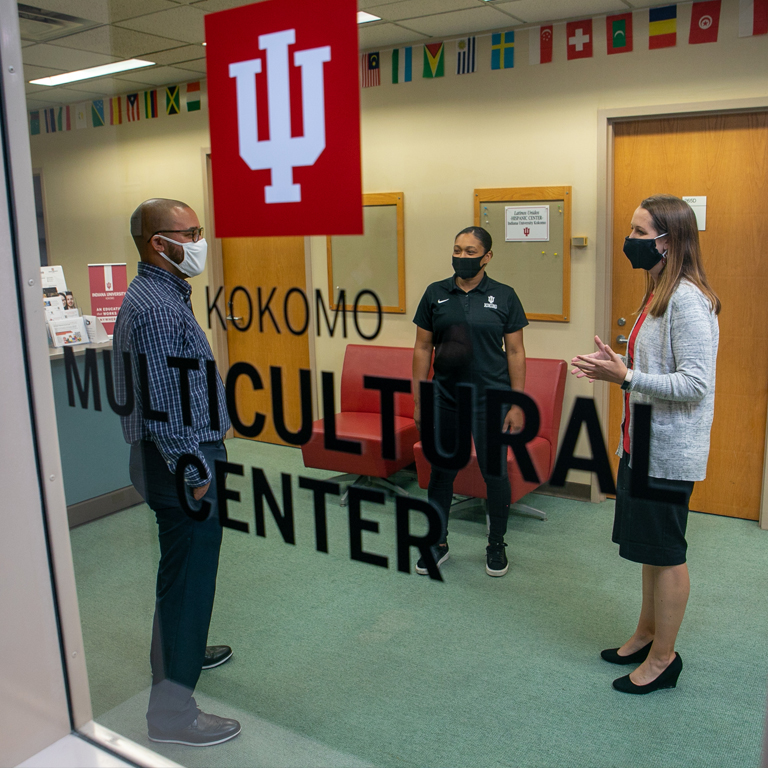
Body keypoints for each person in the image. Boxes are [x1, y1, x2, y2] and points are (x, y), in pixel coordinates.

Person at [571, 194, 720, 695]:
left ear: (668, 241)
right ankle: (646, 633)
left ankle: (663, 659)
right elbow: (651, 371)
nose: (630, 241)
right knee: (650, 552)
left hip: (669, 451)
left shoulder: (687, 299)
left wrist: (627, 375)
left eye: (639, 233)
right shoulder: (658, 291)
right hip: (642, 442)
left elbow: (696, 383)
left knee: (668, 552)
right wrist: (618, 368)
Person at [113, 198, 240, 745]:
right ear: (157, 243)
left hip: (167, 458)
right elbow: (168, 403)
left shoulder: (157, 293)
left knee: (182, 573)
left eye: (200, 230)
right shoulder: (159, 307)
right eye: (189, 232)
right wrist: (194, 470)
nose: (199, 241)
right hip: (181, 461)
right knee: (187, 583)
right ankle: (170, 718)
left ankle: (186, 648)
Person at [412, 226, 527, 577]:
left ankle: (496, 544)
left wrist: (518, 403)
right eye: (457, 250)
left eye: (470, 251)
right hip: (446, 398)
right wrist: (419, 399)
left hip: (492, 400)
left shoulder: (505, 296)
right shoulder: (435, 293)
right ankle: (438, 541)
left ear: (487, 256)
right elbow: (422, 348)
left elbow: (517, 352)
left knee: (495, 474)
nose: (462, 257)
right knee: (442, 473)